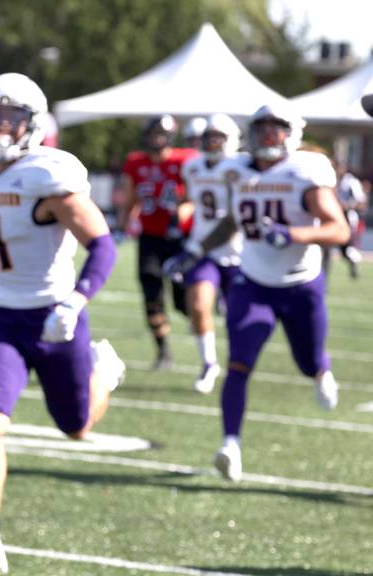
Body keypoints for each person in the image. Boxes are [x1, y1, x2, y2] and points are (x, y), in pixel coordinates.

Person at [0, 72, 125, 574]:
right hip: (1, 318)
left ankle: (104, 372)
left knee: (76, 425)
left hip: (54, 314)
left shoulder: (50, 174)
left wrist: (75, 302)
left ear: (34, 122)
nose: (2, 125)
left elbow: (104, 244)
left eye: (14, 116)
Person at [164, 104, 349, 482]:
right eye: (262, 127)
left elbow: (339, 229)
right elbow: (233, 218)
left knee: (307, 360)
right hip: (253, 283)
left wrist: (293, 234)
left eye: (276, 128)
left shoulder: (304, 171)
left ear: (291, 133)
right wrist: (195, 251)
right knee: (239, 363)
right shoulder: (239, 171)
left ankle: (321, 371)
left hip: (300, 284)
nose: (268, 135)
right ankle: (230, 444)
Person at [166, 113, 243, 394]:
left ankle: (238, 366)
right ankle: (209, 363)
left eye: (218, 138)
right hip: (204, 251)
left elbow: (234, 220)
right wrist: (179, 216)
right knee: (197, 305)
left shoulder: (240, 168)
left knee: (239, 319)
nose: (212, 143)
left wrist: (196, 248)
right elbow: (192, 200)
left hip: (239, 253)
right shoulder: (193, 167)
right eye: (209, 137)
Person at [119, 115, 198, 369]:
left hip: (178, 238)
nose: (156, 139)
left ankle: (200, 315)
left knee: (181, 299)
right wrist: (122, 225)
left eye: (160, 134)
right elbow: (131, 199)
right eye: (152, 134)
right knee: (151, 295)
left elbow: (194, 196)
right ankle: (163, 350)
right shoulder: (136, 163)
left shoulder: (184, 160)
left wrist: (184, 212)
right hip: (150, 238)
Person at [331, 162, 366, 278]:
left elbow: (361, 203)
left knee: (348, 246)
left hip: (348, 218)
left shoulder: (351, 182)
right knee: (341, 249)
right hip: (333, 217)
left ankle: (354, 261)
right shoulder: (331, 181)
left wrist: (346, 206)